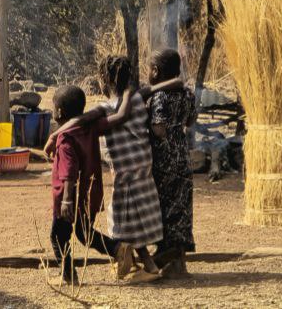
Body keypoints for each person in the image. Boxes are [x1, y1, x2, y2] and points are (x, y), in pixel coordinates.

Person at [47, 56, 182, 283]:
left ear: (104, 81)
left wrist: (55, 135)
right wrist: (132, 92)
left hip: (111, 180)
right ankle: (127, 256)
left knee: (118, 224)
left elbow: (78, 131)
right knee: (89, 232)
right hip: (136, 173)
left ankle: (125, 260)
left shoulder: (102, 111)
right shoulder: (136, 99)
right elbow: (172, 84)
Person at [47, 85, 119, 285]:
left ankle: (68, 275)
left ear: (59, 112)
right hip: (89, 193)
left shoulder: (65, 137)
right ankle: (118, 249)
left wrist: (67, 200)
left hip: (69, 198)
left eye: (54, 105)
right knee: (84, 233)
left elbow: (69, 169)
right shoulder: (88, 128)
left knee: (58, 237)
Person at [146, 49, 197, 277]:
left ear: (155, 71)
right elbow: (191, 120)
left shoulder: (159, 97)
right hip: (182, 156)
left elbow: (158, 128)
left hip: (164, 159)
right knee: (181, 209)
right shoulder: (187, 94)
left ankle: (166, 257)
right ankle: (179, 263)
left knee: (164, 208)